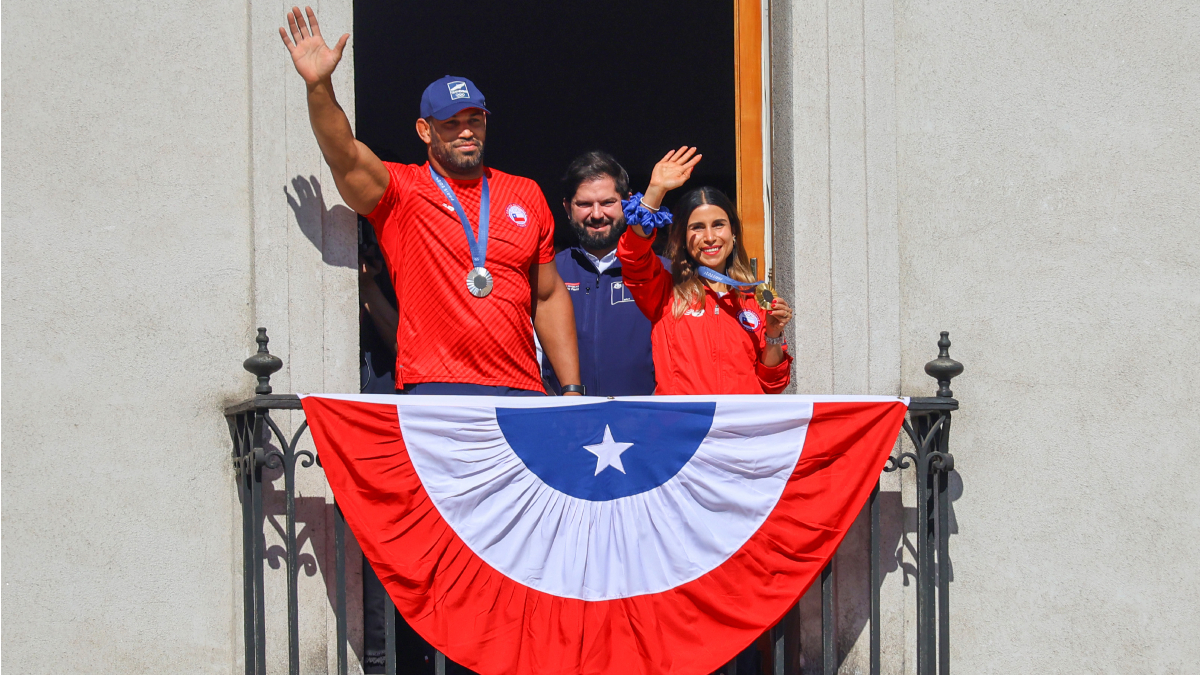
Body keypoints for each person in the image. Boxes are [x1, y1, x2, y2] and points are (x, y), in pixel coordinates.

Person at [279, 6, 583, 397]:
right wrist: (319, 87)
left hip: (519, 386)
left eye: (475, 120)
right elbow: (345, 155)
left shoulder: (525, 192)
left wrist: (572, 386)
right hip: (435, 386)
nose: (466, 132)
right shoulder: (401, 190)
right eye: (451, 123)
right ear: (425, 130)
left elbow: (548, 294)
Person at [617, 147, 794, 394]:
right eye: (697, 228)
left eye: (718, 225)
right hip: (686, 429)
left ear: (732, 232)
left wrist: (774, 334)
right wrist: (655, 191)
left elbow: (771, 386)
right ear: (682, 236)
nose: (709, 237)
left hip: (740, 430)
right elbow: (633, 257)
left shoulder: (753, 299)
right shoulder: (665, 292)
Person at [543, 151, 667, 396]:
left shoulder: (663, 273)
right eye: (585, 204)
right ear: (567, 207)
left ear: (628, 202)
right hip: (564, 418)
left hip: (645, 422)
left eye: (608, 203)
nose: (597, 214)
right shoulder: (548, 273)